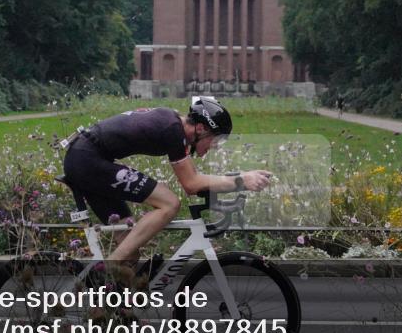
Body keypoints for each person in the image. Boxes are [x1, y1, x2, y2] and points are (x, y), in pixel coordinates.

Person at [62, 96, 272, 282]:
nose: (215, 146)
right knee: (169, 204)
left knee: (130, 252)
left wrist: (231, 182)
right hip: (87, 160)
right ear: (200, 129)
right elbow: (191, 184)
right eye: (215, 139)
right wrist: (241, 180)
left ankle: (114, 312)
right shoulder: (173, 130)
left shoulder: (173, 125)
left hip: (86, 158)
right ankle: (107, 267)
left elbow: (196, 179)